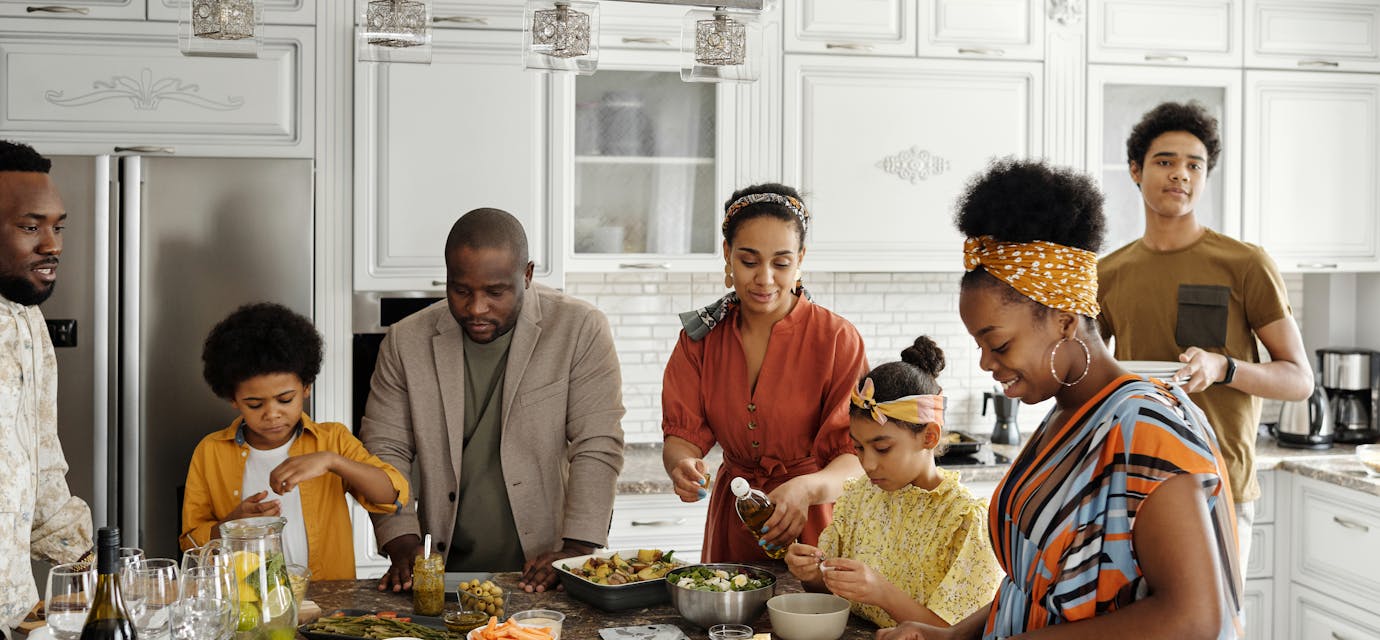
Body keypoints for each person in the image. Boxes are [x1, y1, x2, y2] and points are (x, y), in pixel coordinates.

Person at [880, 159, 1242, 640]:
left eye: (999, 344)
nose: (987, 364)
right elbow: (1033, 586)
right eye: (980, 346)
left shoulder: (1146, 428)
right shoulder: (1067, 415)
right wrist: (952, 636)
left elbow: (1195, 620)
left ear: (1065, 321)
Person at [362, 208, 625, 593]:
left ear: (528, 275)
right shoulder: (406, 341)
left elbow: (597, 443)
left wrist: (578, 549)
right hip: (444, 572)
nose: (476, 309)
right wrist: (400, 539)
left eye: (495, 292)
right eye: (461, 290)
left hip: (546, 570)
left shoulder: (579, 329)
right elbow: (385, 448)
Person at [1098, 101, 1313, 573]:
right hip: (1135, 481)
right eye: (1165, 161)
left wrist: (1224, 367)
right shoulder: (1108, 273)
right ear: (1135, 171)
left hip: (1218, 482)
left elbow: (1299, 380)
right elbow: (1087, 372)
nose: (1180, 174)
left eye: (1194, 164)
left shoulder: (1244, 263)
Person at [661, 184, 867, 562]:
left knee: (813, 619)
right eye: (750, 261)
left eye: (781, 263)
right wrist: (682, 466)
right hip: (733, 520)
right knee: (728, 620)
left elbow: (856, 458)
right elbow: (682, 436)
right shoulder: (700, 341)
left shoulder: (838, 340)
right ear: (727, 255)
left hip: (816, 523)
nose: (765, 279)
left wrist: (806, 490)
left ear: (801, 259)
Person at [784, 336, 1002, 628]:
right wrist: (813, 576)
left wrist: (881, 592)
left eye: (882, 448)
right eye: (858, 448)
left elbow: (955, 635)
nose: (867, 464)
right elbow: (834, 595)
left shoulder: (965, 522)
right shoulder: (859, 497)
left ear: (929, 437)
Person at [181, 302, 408, 581]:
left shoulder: (331, 440)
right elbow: (191, 543)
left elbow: (392, 496)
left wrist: (332, 461)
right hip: (244, 603)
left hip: (326, 602)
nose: (272, 414)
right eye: (254, 404)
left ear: (307, 386)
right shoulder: (210, 452)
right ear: (233, 399)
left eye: (285, 399)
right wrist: (232, 526)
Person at [0, 140, 93, 635]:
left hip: (14, 613)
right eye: (30, 226)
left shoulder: (27, 323)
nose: (52, 244)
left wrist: (93, 574)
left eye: (57, 227)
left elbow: (42, 471)